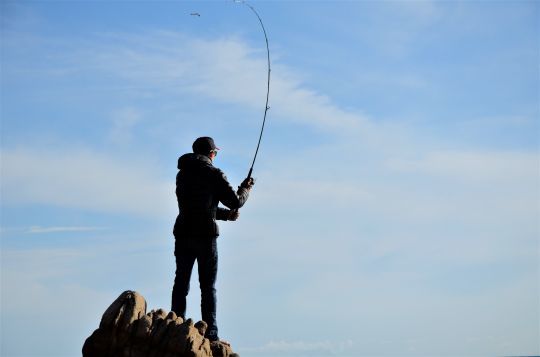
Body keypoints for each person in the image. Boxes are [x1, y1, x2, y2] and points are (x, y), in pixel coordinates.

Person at [171, 136, 254, 342]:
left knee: (181, 282)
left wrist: (225, 215)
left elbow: (197, 207)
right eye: (215, 153)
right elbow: (236, 201)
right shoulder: (213, 173)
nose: (215, 156)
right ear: (211, 154)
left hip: (183, 233)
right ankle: (212, 334)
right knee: (208, 287)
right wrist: (246, 189)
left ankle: (175, 323)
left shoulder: (182, 175)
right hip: (205, 235)